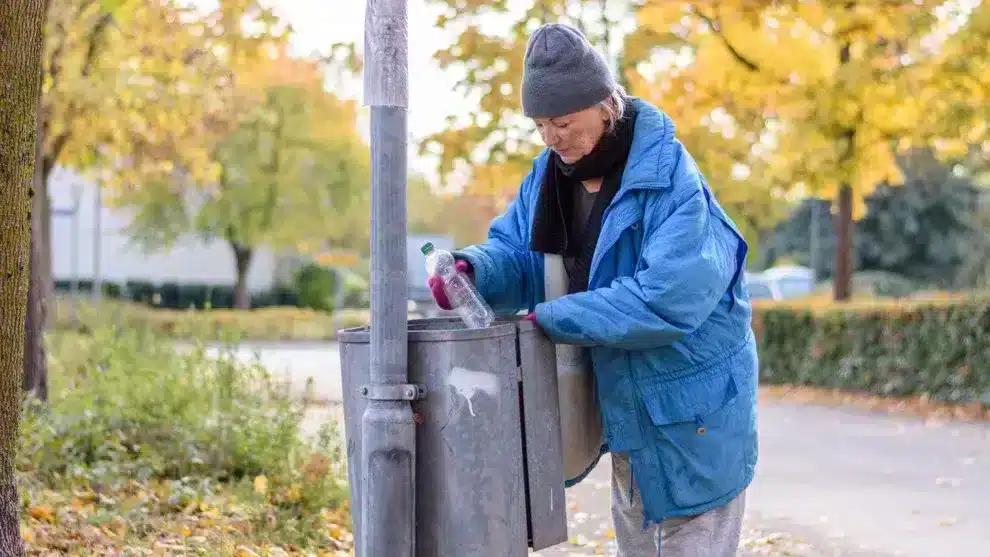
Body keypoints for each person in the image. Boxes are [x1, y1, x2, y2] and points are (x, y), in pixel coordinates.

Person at [428, 22, 758, 557]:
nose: (552, 138)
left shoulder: (672, 181)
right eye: (539, 125)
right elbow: (517, 253)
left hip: (694, 411)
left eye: (563, 121)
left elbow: (665, 300)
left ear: (606, 104)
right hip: (632, 408)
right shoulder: (549, 177)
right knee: (638, 545)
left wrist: (554, 318)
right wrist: (472, 271)